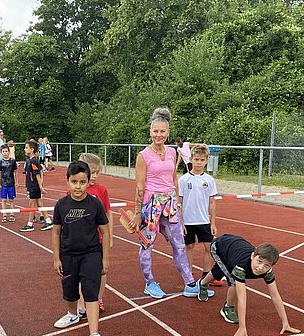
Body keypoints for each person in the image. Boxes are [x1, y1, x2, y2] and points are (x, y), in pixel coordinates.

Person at [127, 107, 198, 299]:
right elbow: (140, 186)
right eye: (155, 131)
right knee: (147, 244)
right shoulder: (143, 156)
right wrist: (137, 212)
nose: (159, 135)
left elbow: (173, 179)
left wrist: (179, 208)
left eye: (162, 131)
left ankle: (190, 282)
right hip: (151, 205)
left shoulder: (172, 152)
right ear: (150, 132)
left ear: (168, 132)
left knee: (179, 244)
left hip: (170, 204)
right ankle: (150, 282)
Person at [52, 161, 111, 336]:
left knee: (91, 293)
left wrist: (105, 259)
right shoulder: (61, 205)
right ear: (68, 182)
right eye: (74, 181)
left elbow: (105, 229)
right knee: (70, 292)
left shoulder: (95, 203)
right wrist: (56, 258)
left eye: (82, 182)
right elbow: (55, 232)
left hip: (91, 254)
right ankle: (72, 314)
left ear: (88, 183)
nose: (78, 186)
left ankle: (94, 335)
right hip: (68, 255)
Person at [197, 234, 301, 336]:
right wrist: (242, 327)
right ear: (252, 256)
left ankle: (202, 283)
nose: (261, 268)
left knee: (222, 268)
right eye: (259, 261)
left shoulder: (268, 272)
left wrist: (285, 323)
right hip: (219, 246)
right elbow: (242, 298)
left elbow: (275, 296)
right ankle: (228, 307)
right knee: (233, 282)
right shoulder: (241, 268)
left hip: (232, 249)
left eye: (267, 265)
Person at [178, 144, 221, 300]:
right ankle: (189, 280)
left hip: (203, 220)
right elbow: (179, 203)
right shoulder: (183, 179)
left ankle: (205, 279)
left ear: (206, 161)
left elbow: (212, 202)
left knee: (209, 248)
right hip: (188, 221)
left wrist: (213, 222)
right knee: (188, 247)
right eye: (196, 159)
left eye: (202, 160)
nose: (198, 162)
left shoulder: (209, 180)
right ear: (190, 159)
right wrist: (181, 223)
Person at [77, 152, 113, 314]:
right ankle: (81, 303)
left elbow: (107, 213)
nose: (95, 176)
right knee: (80, 273)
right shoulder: (75, 189)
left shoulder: (101, 190)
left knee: (101, 270)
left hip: (98, 239)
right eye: (92, 172)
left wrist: (109, 236)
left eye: (98, 172)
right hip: (79, 240)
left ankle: (98, 299)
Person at [20, 139, 53, 232]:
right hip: (31, 185)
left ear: (32, 149)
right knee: (39, 204)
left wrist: (40, 186)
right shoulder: (29, 160)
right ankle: (48, 221)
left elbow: (37, 174)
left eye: (26, 148)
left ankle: (30, 224)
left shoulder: (34, 161)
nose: (24, 149)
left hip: (34, 186)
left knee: (32, 205)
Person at [0, 144, 18, 223]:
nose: (5, 153)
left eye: (6, 151)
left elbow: (15, 172)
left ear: (9, 152)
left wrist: (17, 181)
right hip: (3, 183)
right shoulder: (0, 162)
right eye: (3, 151)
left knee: (11, 200)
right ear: (1, 153)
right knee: (3, 200)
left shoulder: (12, 161)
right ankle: (4, 214)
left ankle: (12, 214)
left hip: (11, 183)